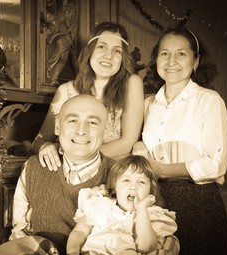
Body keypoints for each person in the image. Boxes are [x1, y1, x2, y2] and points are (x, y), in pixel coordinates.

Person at [133, 27, 227, 255]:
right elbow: (140, 147)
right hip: (156, 202)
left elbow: (215, 164)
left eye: (181, 54)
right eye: (164, 53)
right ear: (156, 59)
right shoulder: (148, 105)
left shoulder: (209, 100)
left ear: (196, 62)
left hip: (199, 202)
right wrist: (139, 147)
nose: (171, 61)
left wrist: (161, 170)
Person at [0, 94, 115, 255]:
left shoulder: (120, 174)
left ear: (106, 130)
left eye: (92, 122)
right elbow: (20, 233)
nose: (81, 130)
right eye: (72, 120)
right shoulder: (34, 168)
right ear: (57, 127)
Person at [31, 22, 144, 171]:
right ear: (89, 51)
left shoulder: (131, 84)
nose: (108, 55)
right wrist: (45, 147)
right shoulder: (66, 91)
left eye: (117, 51)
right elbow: (38, 142)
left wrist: (79, 160)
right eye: (101, 46)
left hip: (110, 172)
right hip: (67, 171)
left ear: (123, 58)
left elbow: (128, 142)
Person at [66, 155, 179, 255]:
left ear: (150, 191)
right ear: (115, 187)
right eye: (126, 180)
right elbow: (80, 231)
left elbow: (146, 246)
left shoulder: (150, 214)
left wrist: (141, 209)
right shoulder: (100, 204)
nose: (134, 187)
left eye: (142, 182)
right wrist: (72, 253)